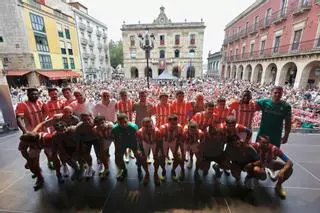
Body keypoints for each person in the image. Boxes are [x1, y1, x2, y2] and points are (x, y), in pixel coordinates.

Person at [112, 113, 142, 181]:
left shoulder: (133, 127)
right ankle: (124, 170)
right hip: (122, 143)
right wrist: (117, 150)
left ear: (128, 120)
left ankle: (139, 168)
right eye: (121, 123)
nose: (123, 124)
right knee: (118, 157)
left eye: (125, 122)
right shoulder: (114, 128)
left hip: (132, 142)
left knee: (138, 155)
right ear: (117, 122)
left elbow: (138, 138)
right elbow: (115, 140)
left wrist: (138, 149)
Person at [136, 117, 163, 185]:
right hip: (146, 143)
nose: (149, 128)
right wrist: (142, 153)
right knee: (142, 158)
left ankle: (156, 173)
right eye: (146, 126)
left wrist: (156, 154)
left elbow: (159, 143)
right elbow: (139, 143)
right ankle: (147, 173)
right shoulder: (139, 132)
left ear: (153, 125)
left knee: (157, 158)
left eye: (150, 126)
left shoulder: (157, 131)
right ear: (142, 126)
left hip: (154, 143)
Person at [159, 114, 184, 181]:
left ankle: (173, 170)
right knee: (161, 157)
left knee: (177, 157)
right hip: (165, 141)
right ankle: (163, 170)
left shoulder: (180, 127)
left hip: (174, 141)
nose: (174, 125)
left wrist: (177, 149)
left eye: (176, 123)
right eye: (172, 124)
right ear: (168, 122)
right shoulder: (162, 128)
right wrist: (162, 151)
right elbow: (160, 141)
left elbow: (179, 138)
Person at [75, 113, 97, 178]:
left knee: (99, 152)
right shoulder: (79, 127)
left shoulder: (95, 124)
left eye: (88, 119)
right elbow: (78, 139)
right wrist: (78, 149)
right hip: (86, 140)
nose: (87, 121)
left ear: (91, 118)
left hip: (96, 139)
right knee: (86, 154)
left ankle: (101, 163)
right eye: (85, 120)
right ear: (81, 120)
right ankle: (90, 167)